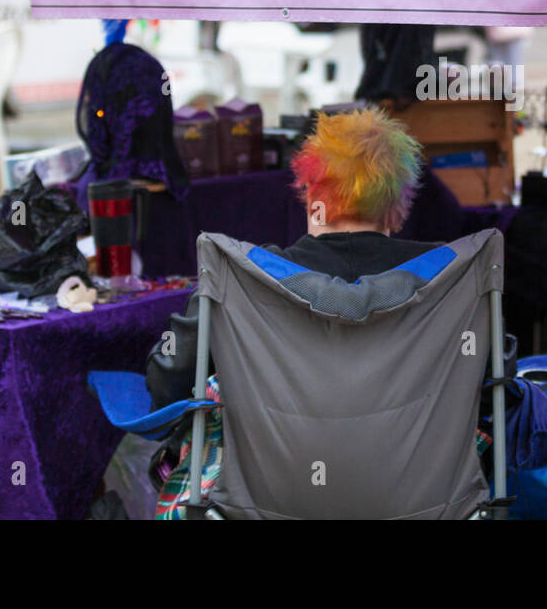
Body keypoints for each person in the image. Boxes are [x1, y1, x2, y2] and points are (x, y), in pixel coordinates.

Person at [145, 105, 438, 409]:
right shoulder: (453, 273)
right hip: (424, 455)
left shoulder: (241, 276)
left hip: (267, 456)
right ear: (401, 203)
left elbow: (168, 384)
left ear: (311, 194)